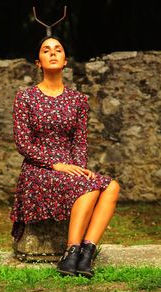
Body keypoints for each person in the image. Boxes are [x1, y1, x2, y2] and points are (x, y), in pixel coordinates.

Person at [10, 35, 120, 278]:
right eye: (46, 50)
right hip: (38, 169)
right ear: (38, 62)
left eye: (58, 49)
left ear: (65, 60)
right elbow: (23, 144)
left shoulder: (78, 100)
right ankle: (71, 253)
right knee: (90, 187)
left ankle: (86, 254)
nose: (52, 53)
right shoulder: (25, 97)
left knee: (112, 187)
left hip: (69, 169)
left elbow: (79, 143)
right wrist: (56, 164)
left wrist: (78, 169)